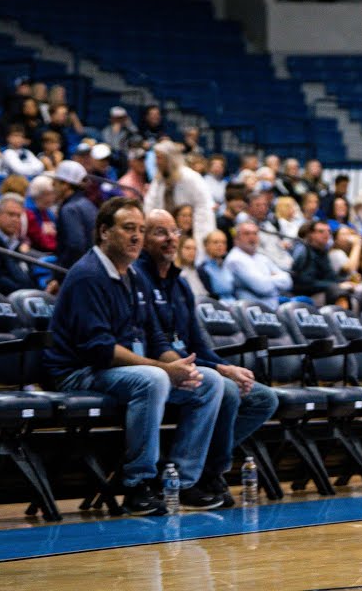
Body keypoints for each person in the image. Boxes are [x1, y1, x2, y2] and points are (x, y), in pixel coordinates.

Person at [43, 197, 223, 515]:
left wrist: (179, 366)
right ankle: (138, 485)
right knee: (152, 380)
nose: (137, 236)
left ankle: (181, 482)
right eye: (128, 228)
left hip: (121, 369)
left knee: (207, 382)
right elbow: (100, 350)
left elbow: (154, 336)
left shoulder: (134, 276)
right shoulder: (88, 276)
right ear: (104, 232)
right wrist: (163, 370)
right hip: (79, 372)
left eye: (140, 229)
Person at [134, 209, 278, 507]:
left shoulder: (180, 284)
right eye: (160, 232)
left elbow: (198, 343)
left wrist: (226, 366)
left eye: (174, 232)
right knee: (224, 388)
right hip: (157, 368)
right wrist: (219, 371)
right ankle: (196, 476)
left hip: (192, 365)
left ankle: (202, 465)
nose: (170, 238)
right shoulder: (137, 278)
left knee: (264, 398)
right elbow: (155, 344)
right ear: (143, 239)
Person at [144, 141, 215, 248]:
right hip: (166, 234)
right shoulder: (158, 181)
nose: (156, 162)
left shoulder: (191, 178)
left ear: (169, 159)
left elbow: (204, 209)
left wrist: (200, 240)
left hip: (190, 235)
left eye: (160, 158)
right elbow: (150, 207)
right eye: (156, 158)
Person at [0, 193, 47, 294]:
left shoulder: (17, 245)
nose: (15, 220)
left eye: (18, 216)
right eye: (11, 214)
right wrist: (26, 292)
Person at [224, 221, 292, 308]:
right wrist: (274, 279)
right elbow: (263, 288)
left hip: (272, 308)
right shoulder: (235, 259)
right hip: (250, 310)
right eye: (247, 234)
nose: (252, 237)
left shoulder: (261, 257)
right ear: (236, 238)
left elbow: (288, 281)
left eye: (255, 233)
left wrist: (266, 280)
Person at [53, 160, 98, 270]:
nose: (52, 186)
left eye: (55, 182)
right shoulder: (88, 203)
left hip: (77, 271)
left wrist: (59, 274)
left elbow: (75, 246)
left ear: (65, 184)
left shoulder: (69, 209)